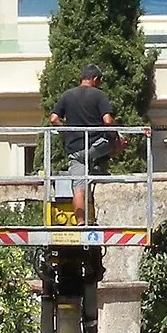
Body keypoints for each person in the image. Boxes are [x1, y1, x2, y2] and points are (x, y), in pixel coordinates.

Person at [48, 63, 118, 221]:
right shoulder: (98, 95)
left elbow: (53, 118)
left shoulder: (67, 95)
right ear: (95, 79)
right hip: (95, 145)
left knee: (78, 188)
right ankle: (104, 165)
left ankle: (80, 222)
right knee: (119, 140)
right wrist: (115, 137)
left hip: (75, 149)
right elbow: (107, 121)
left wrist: (66, 132)